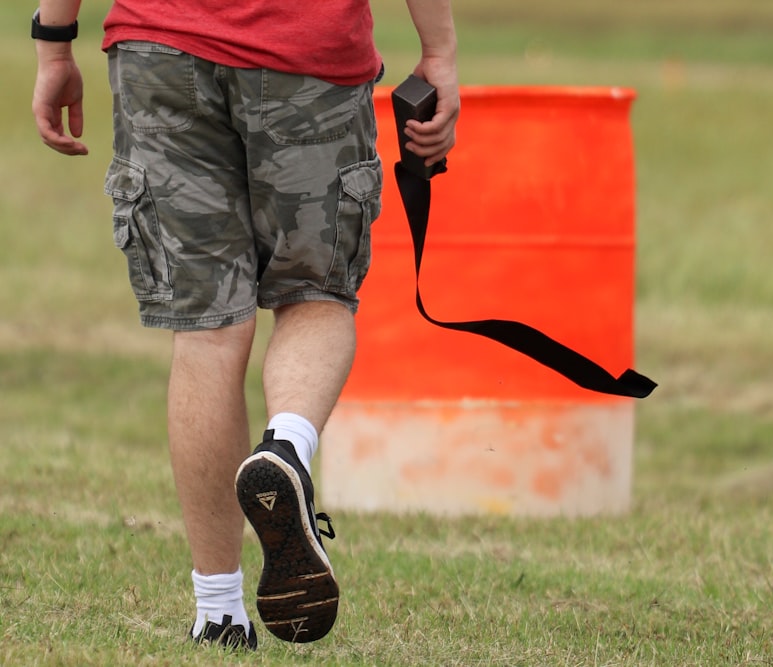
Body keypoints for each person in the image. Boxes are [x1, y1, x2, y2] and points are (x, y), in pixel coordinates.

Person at [31, 0, 459, 650]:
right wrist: (440, 55)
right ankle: (285, 447)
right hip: (308, 55)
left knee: (206, 330)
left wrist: (54, 42)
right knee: (317, 293)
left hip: (160, 51)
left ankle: (219, 611)